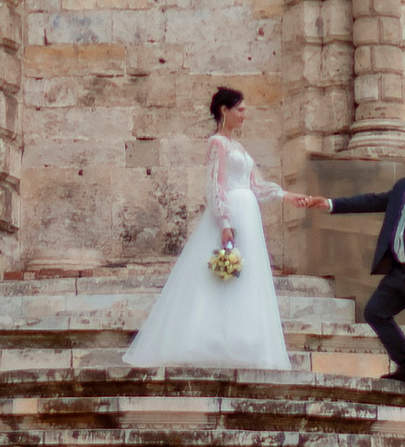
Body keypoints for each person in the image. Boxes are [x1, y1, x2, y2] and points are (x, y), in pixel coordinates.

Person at [123, 84, 318, 377]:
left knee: (246, 277)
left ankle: (242, 340)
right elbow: (215, 185)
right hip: (234, 213)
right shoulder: (218, 144)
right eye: (240, 109)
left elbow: (257, 184)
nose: (244, 114)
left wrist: (287, 196)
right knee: (219, 275)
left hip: (248, 211)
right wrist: (225, 222)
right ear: (224, 111)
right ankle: (208, 338)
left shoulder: (239, 147)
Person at [314, 127, 405, 409]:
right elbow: (372, 200)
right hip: (399, 272)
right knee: (375, 312)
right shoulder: (403, 187)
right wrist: (331, 203)